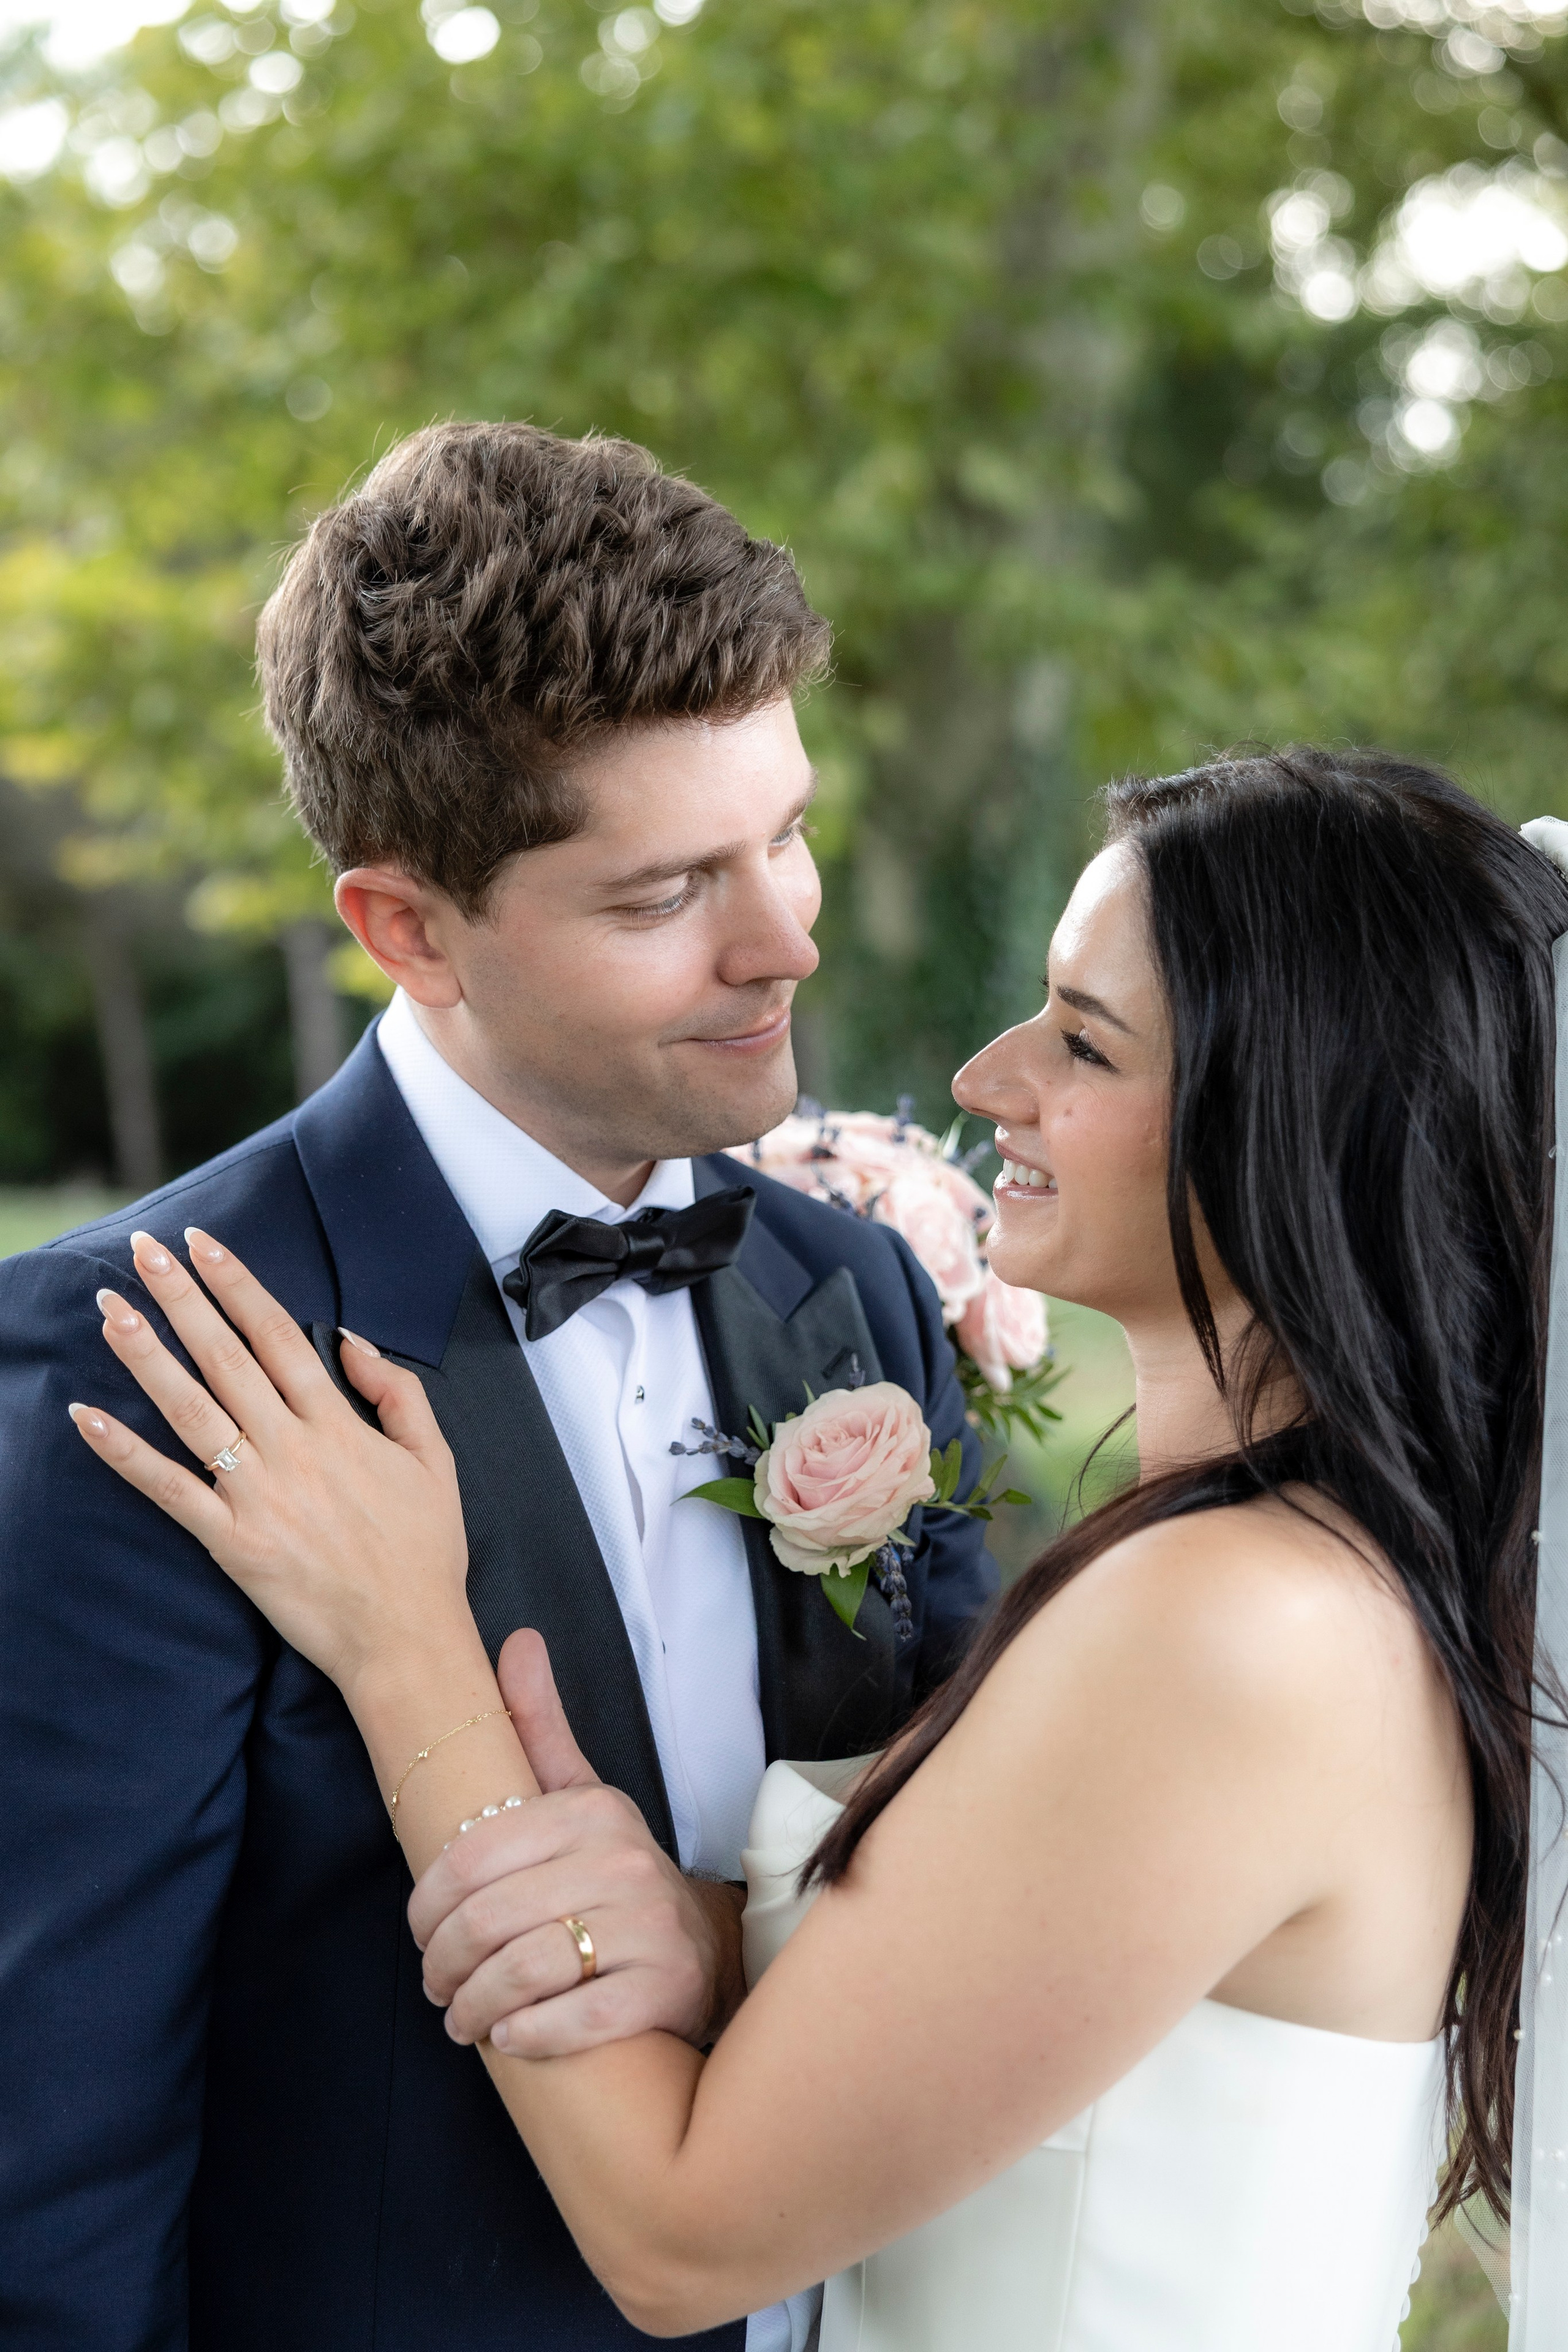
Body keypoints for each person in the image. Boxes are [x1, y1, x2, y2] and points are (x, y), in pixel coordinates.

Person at [69, 748, 1553, 2350]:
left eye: (1085, 1041)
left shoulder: (1238, 1623)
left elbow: (681, 2239)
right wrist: (714, 1925)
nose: (989, 1080)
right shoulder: (1297, 1573)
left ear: (1293, 1130)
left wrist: (401, 1637)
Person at [0, 422, 997, 2352]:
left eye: (786, 828)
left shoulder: (852, 1285)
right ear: (407, 929)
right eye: (665, 895)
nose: (784, 938)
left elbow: (948, 1870)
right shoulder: (152, 1353)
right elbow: (49, 2143)